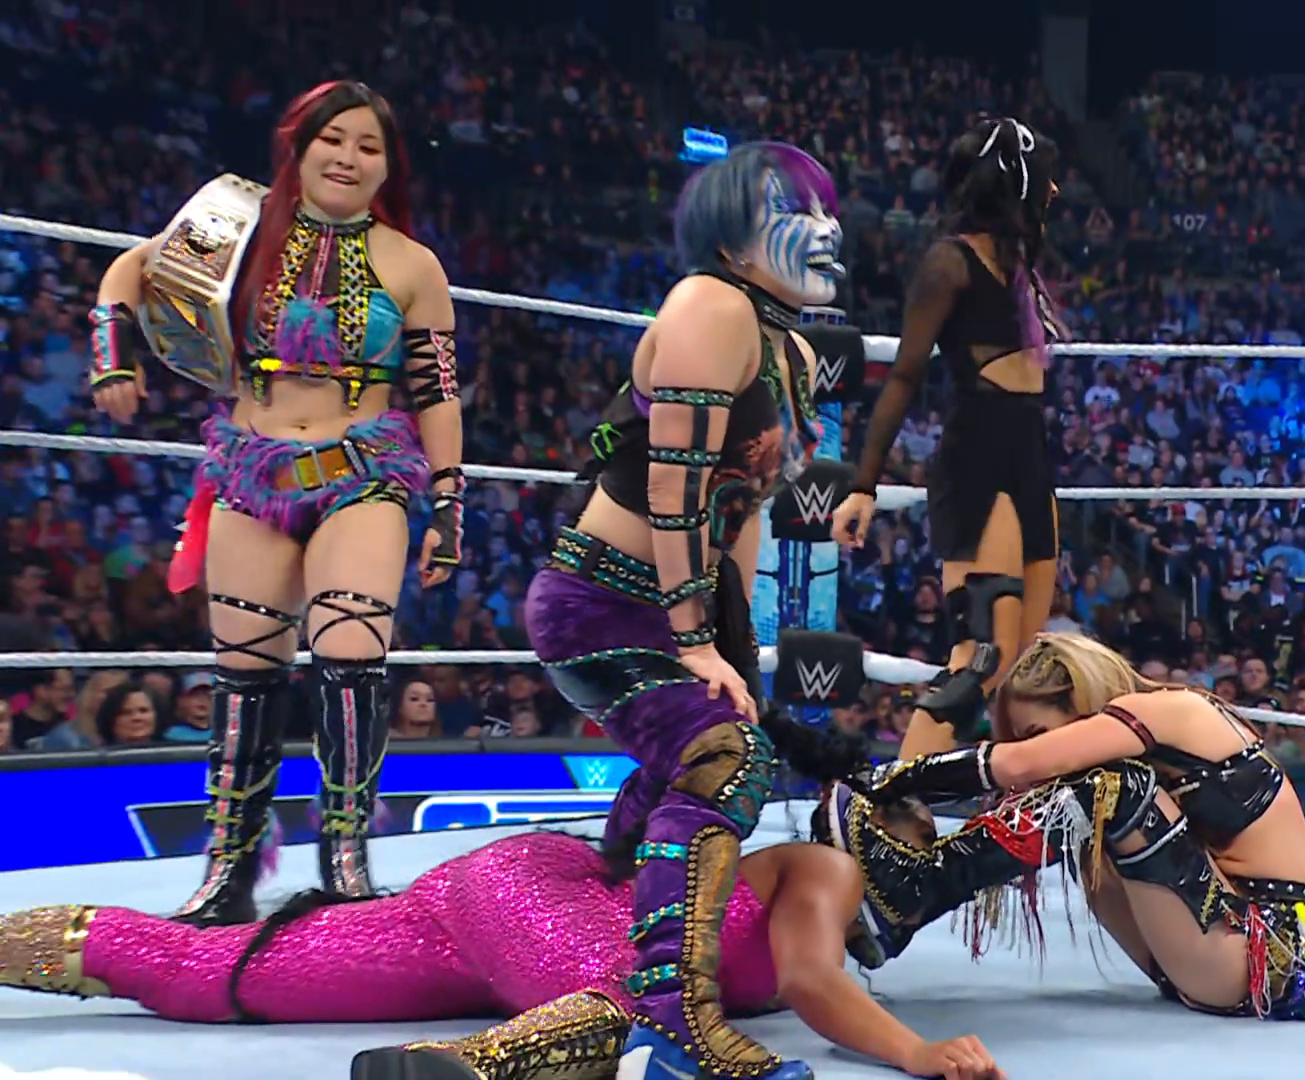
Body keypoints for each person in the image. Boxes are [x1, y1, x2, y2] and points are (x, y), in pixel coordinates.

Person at [88, 80, 463, 922]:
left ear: (388, 167)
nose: (348, 158)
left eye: (368, 146)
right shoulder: (238, 226)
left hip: (361, 471)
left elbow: (437, 393)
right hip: (253, 471)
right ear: (300, 145)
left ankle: (346, 862)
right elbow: (131, 269)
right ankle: (228, 872)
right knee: (244, 676)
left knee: (351, 656)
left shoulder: (413, 264)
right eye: (334, 139)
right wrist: (113, 352)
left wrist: (448, 506)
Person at [521, 142, 841, 1080]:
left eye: (829, 211)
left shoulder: (789, 348)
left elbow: (743, 510)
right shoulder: (710, 304)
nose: (826, 230)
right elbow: (678, 488)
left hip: (673, 605)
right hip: (599, 604)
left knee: (728, 736)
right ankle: (671, 1024)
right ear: (732, 237)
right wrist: (696, 642)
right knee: (724, 756)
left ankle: (610, 886)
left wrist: (735, 648)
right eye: (797, 212)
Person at [0, 799, 1003, 1080]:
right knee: (653, 1009)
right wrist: (919, 1053)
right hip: (542, 900)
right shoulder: (823, 869)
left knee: (213, 974)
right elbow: (815, 982)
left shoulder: (812, 889)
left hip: (482, 921)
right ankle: (473, 1068)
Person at [819, 632, 1305, 1026]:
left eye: (1041, 732)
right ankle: (907, 906)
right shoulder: (1145, 738)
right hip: (1199, 951)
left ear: (1078, 700)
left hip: (1257, 955)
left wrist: (890, 778)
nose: (1040, 751)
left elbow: (1021, 765)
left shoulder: (1168, 711)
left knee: (1116, 790)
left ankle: (920, 890)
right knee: (1082, 800)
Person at [830, 117, 1065, 759]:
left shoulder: (1019, 259)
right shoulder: (950, 261)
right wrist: (863, 485)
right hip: (978, 456)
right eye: (1045, 178)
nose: (1054, 191)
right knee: (982, 653)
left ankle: (1008, 796)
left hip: (1029, 450)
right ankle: (893, 794)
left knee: (1023, 662)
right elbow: (905, 375)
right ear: (1015, 182)